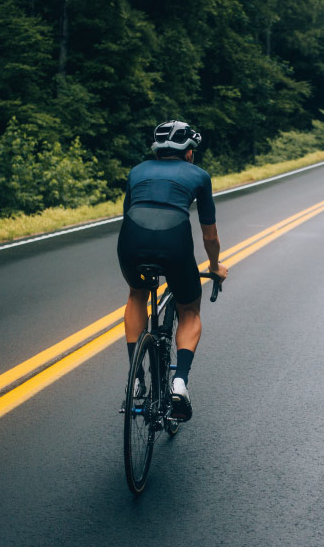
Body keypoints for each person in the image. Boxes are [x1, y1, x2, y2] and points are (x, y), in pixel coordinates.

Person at [117, 120, 228, 421]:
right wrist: (215, 267)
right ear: (189, 152)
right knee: (189, 309)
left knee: (137, 293)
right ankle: (179, 383)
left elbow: (130, 212)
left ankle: (136, 378)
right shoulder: (199, 176)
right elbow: (210, 236)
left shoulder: (137, 171)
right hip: (174, 245)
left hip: (131, 242)